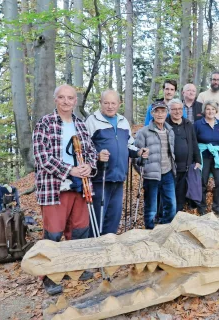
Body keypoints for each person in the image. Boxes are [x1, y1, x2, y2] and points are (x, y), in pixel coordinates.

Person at [32, 84, 97, 295]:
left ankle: (73, 267)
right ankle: (49, 275)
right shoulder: (45, 123)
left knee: (79, 228)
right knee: (54, 232)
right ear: (55, 100)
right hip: (54, 187)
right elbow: (43, 158)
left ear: (75, 101)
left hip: (80, 186)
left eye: (70, 98)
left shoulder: (80, 124)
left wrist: (89, 166)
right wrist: (71, 170)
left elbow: (91, 152)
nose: (66, 101)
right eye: (62, 97)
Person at [85, 89, 149, 236]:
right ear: (100, 103)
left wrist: (139, 152)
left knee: (114, 217)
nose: (110, 106)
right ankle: (94, 247)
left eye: (113, 103)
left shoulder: (123, 121)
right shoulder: (92, 121)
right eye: (106, 102)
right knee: (97, 217)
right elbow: (83, 148)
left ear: (119, 104)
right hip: (100, 178)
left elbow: (130, 144)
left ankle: (109, 246)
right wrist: (97, 156)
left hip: (119, 177)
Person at [135, 102, 176, 229]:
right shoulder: (143, 132)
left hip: (168, 173)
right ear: (152, 113)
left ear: (166, 113)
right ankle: (150, 231)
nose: (160, 114)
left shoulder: (170, 131)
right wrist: (144, 169)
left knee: (171, 205)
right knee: (151, 208)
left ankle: (164, 229)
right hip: (151, 175)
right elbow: (136, 156)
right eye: (156, 111)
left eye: (162, 111)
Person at [193, 100, 219, 216]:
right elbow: (193, 141)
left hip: (217, 155)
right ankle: (201, 206)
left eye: (213, 109)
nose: (210, 111)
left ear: (216, 111)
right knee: (202, 181)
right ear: (204, 111)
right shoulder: (198, 124)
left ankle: (217, 207)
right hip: (203, 154)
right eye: (208, 109)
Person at [166, 99, 201, 211]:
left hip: (185, 166)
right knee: (169, 194)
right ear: (169, 110)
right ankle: (166, 218)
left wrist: (198, 160)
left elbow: (194, 143)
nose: (177, 111)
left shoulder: (188, 124)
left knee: (181, 195)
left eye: (180, 109)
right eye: (174, 109)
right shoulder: (165, 124)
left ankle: (178, 216)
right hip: (169, 167)